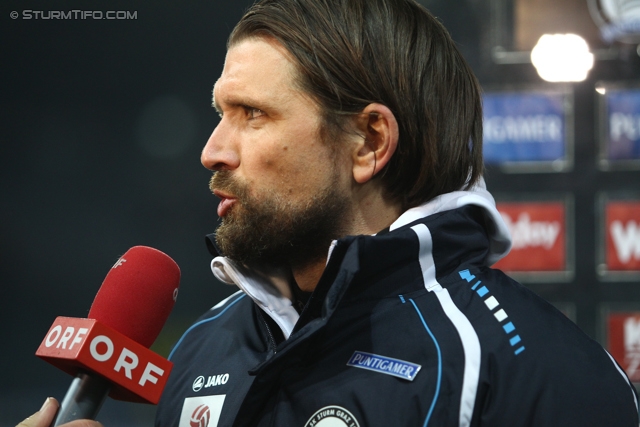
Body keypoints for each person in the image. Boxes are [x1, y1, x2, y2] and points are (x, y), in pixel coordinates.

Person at [19, 0, 639, 426]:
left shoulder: (532, 373)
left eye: (252, 115)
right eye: (219, 113)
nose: (212, 150)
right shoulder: (203, 349)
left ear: (369, 142)